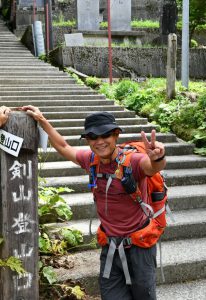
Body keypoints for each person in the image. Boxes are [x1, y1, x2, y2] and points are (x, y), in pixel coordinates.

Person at [21, 105, 166, 300]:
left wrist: (158, 157)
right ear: (88, 140)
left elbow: (150, 167)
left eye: (105, 135)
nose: (99, 142)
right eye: (92, 137)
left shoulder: (132, 161)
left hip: (140, 246)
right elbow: (64, 147)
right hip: (110, 247)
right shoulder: (91, 160)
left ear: (116, 135)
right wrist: (42, 121)